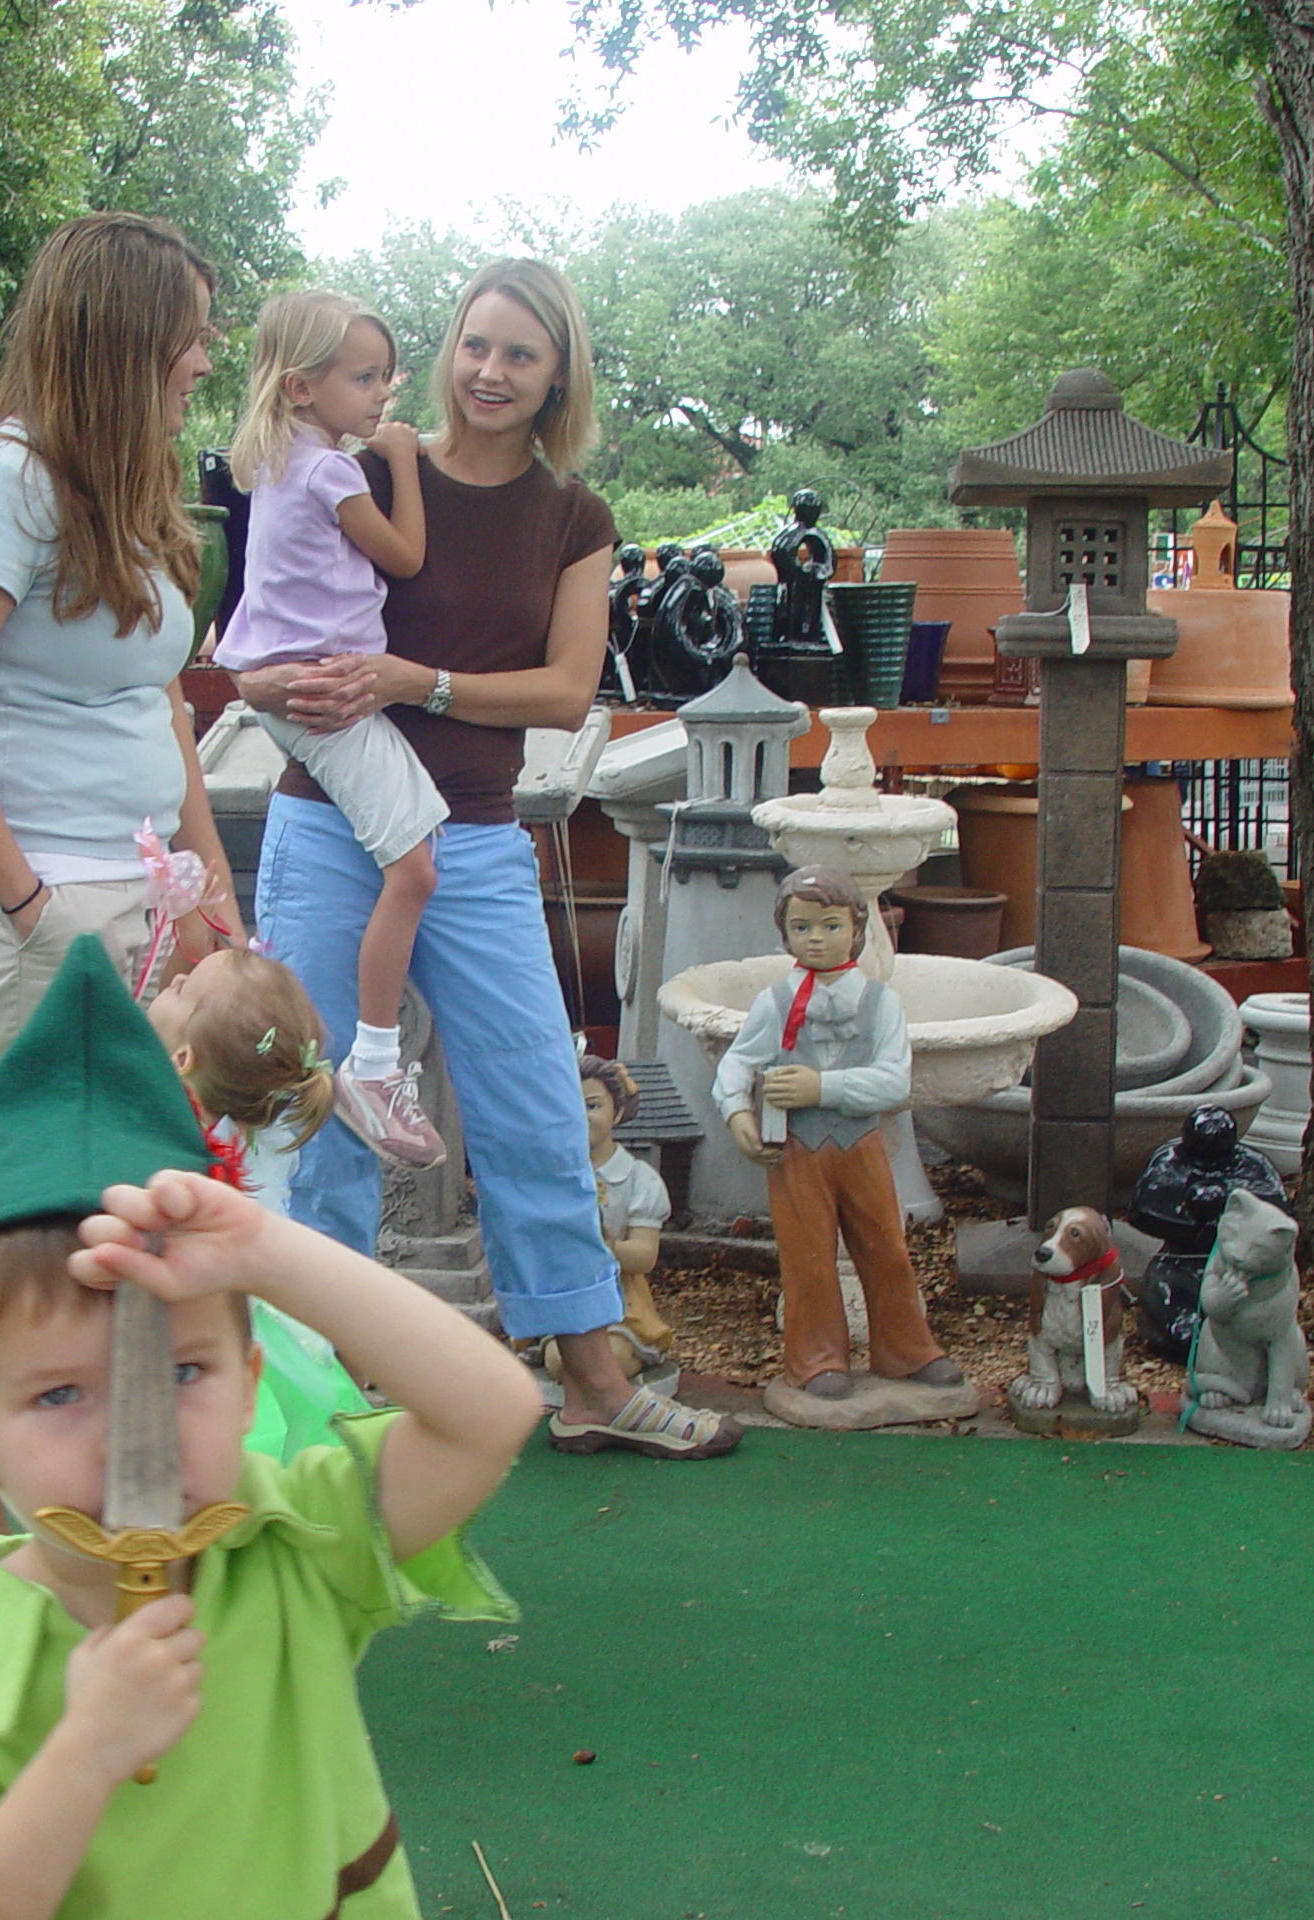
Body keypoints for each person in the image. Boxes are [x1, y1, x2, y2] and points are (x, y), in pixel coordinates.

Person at [0, 937, 534, 1920]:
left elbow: (491, 1416)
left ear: (250, 1386)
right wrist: (84, 1755)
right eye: (58, 1395)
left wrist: (263, 1251)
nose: (130, 1433)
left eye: (182, 1372)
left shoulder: (289, 1542)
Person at [234, 259, 739, 1461]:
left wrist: (425, 683)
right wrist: (260, 683)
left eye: (520, 352)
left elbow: (567, 692)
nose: (491, 372)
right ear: (446, 351)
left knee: (531, 1110)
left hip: (472, 838)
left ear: (558, 370)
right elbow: (248, 645)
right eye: (475, 345)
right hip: (327, 824)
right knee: (312, 1108)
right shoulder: (348, 465)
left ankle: (597, 1386)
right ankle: (314, 1397)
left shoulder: (573, 517)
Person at [0, 210, 241, 1098]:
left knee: (132, 1198)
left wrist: (206, 893)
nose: (204, 361)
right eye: (190, 338)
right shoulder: (3, 485)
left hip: (140, 897)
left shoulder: (123, 492)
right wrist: (31, 910)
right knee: (55, 1205)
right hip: (35, 914)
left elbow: (163, 702)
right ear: (126, 341)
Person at [0, 943, 365, 1462]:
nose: (171, 983)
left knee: (206, 1447)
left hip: (183, 1319)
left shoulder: (162, 1138)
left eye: (182, 990)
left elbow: (64, 1168)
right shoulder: (264, 1112)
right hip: (268, 1324)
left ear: (183, 1059)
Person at [215, 291, 446, 1167]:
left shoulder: (276, 462)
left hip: (288, 683)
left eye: (387, 376)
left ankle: (368, 1062)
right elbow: (407, 556)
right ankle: (375, 1065)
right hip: (327, 692)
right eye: (364, 378)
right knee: (416, 866)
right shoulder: (330, 471)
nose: (383, 394)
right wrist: (403, 460)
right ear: (303, 386)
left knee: (403, 859)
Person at [715, 868, 965, 1417]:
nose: (816, 938)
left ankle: (906, 1350)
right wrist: (737, 1112)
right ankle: (817, 1358)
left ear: (857, 930)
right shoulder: (775, 1001)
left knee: (886, 1248)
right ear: (784, 934)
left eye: (830, 925)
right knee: (807, 1257)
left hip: (862, 1146)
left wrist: (821, 1086)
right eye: (801, 927)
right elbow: (738, 1061)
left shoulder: (881, 1004)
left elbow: (893, 1083)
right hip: (795, 1151)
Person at [580, 1054, 673, 1372]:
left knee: (609, 1359)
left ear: (617, 1112)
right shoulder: (551, 1178)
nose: (579, 1116)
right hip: (567, 1291)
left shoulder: (638, 1178)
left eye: (592, 1106)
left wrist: (609, 1248)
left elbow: (645, 1255)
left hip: (621, 1297)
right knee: (560, 1359)